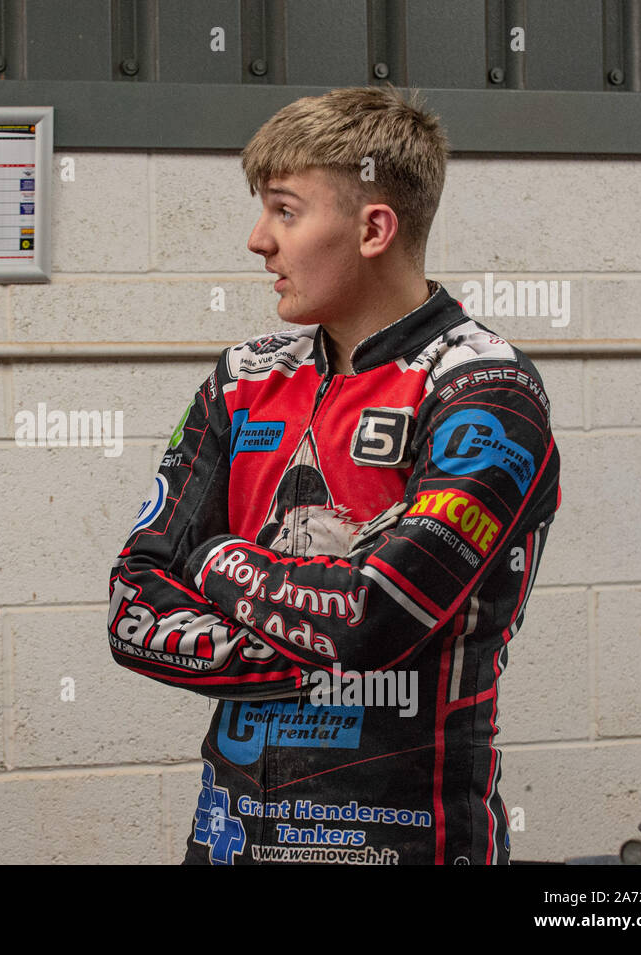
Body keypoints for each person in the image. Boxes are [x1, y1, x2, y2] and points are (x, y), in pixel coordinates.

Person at [108, 86, 561, 865]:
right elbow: (131, 605)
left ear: (373, 228)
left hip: (404, 844)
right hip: (229, 840)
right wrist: (329, 641)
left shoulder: (484, 389)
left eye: (285, 211)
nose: (258, 240)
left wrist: (215, 559)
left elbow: (368, 618)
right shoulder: (244, 378)